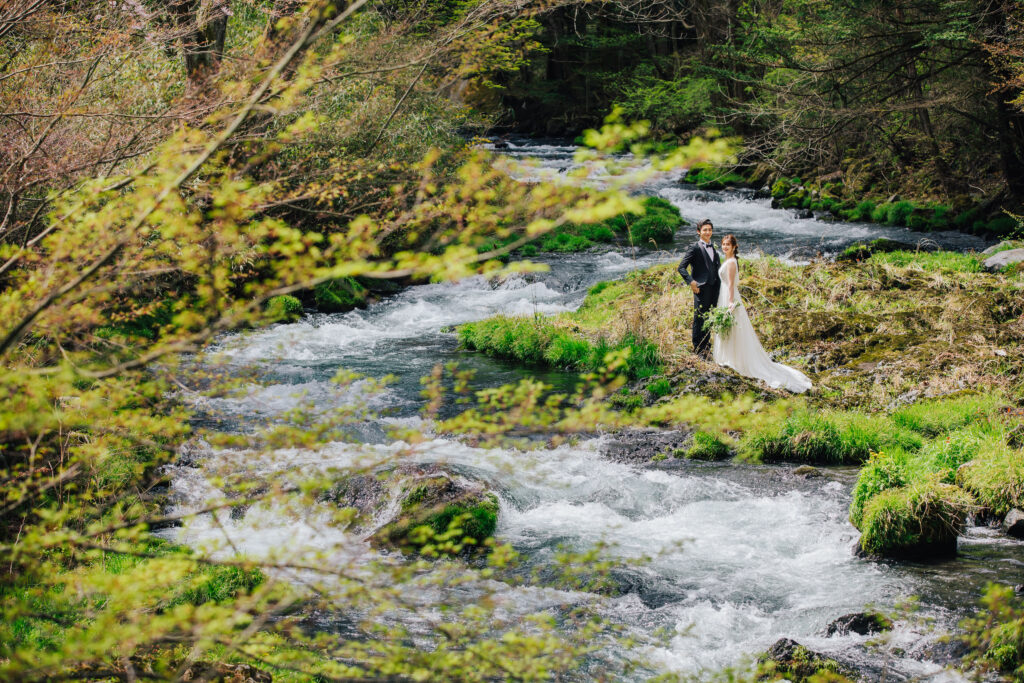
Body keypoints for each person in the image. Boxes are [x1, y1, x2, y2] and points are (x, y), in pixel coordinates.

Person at [712, 234, 812, 393]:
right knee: (730, 329)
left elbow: (731, 285)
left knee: (734, 328)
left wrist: (730, 303)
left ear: (734, 247)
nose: (724, 247)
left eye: (727, 245)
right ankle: (729, 358)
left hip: (729, 297)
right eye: (723, 244)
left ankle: (735, 360)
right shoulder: (729, 260)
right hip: (724, 295)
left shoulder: (731, 263)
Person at [677, 219, 721, 358]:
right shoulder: (694, 248)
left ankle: (706, 346)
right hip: (700, 289)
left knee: (709, 317)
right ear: (699, 232)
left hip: (714, 288)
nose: (708, 232)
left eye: (710, 230)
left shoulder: (713, 248)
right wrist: (691, 281)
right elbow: (681, 267)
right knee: (699, 318)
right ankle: (698, 349)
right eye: (705, 230)